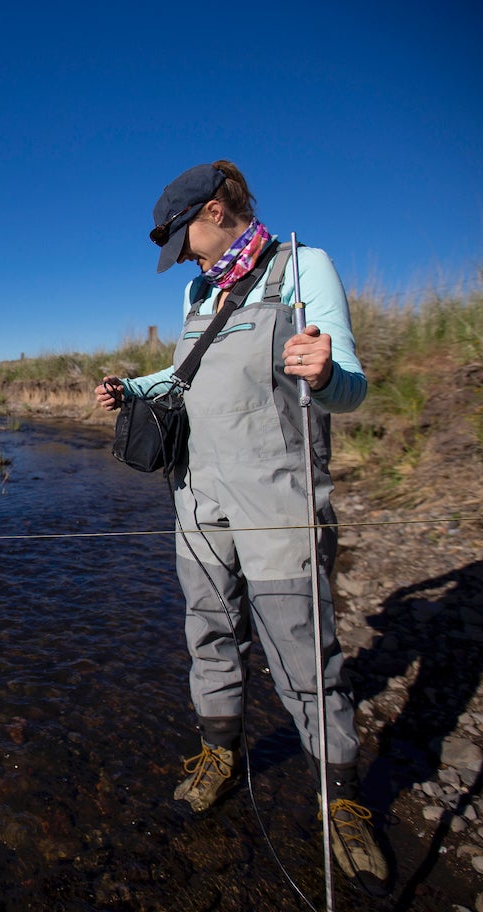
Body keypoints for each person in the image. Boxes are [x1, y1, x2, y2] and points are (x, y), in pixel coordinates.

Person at [93, 161, 387, 886]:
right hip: (197, 496)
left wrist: (323, 374)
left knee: (302, 655)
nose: (184, 258)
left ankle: (342, 802)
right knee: (208, 630)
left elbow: (349, 389)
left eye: (185, 238)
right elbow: (183, 376)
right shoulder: (202, 289)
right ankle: (220, 753)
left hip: (279, 504)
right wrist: (131, 387)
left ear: (218, 211)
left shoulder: (302, 266)